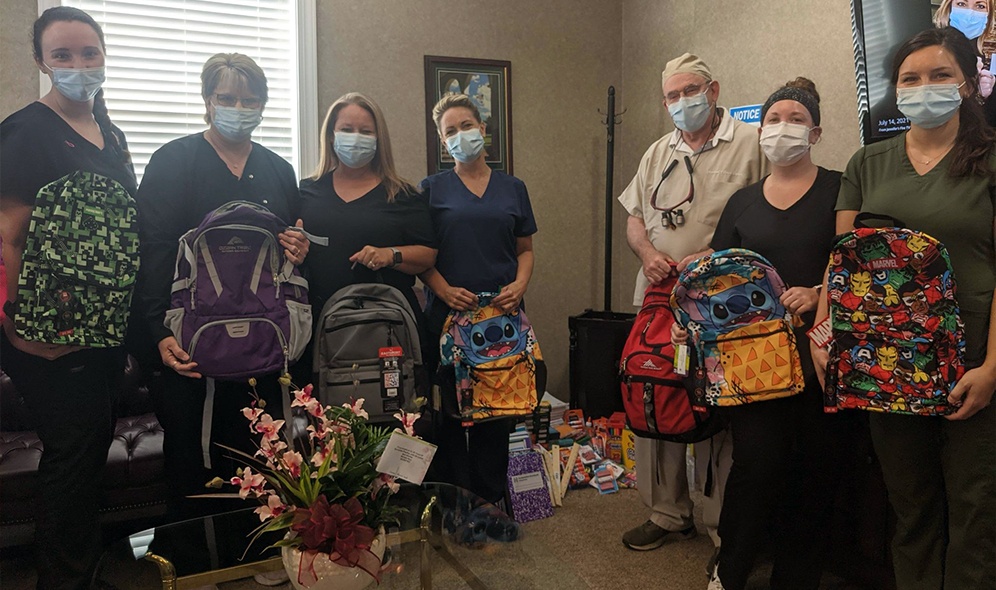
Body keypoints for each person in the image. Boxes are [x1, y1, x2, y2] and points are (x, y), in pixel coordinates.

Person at [813, 27, 996, 589]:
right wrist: (824, 336)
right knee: (909, 502)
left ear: (968, 83)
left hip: (974, 350)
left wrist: (992, 368)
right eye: (910, 79)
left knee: (976, 506)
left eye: (940, 75)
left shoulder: (990, 162)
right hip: (883, 352)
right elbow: (841, 264)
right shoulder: (868, 162)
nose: (924, 88)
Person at [673, 79, 857, 590]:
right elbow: (719, 276)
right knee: (756, 465)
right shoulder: (743, 202)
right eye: (773, 119)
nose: (781, 128)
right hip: (752, 362)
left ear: (815, 132)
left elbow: (854, 261)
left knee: (816, 470)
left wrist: (819, 292)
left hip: (819, 350)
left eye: (795, 118)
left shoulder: (842, 189)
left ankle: (797, 577)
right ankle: (730, 569)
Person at [134, 53, 309, 522]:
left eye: (250, 100)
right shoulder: (172, 160)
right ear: (207, 100)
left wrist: (297, 246)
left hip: (264, 341)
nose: (238, 107)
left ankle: (260, 557)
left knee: (264, 453)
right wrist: (156, 330)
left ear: (264, 105)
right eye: (227, 98)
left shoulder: (278, 169)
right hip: (190, 342)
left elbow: (288, 258)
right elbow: (151, 250)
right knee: (192, 455)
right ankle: (196, 563)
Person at [0, 7, 136, 589]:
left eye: (89, 53)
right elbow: (6, 236)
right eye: (63, 55)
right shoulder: (26, 131)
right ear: (41, 61)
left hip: (102, 326)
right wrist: (19, 329)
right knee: (71, 457)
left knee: (87, 454)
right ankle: (64, 580)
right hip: (43, 329)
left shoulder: (111, 133)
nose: (79, 65)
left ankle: (90, 568)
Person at [617, 53, 765, 565]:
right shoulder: (659, 151)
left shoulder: (751, 144)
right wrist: (648, 253)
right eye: (672, 96)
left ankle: (723, 525)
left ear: (714, 89)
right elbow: (635, 217)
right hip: (658, 297)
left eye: (690, 91)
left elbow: (771, 210)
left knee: (716, 405)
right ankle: (667, 512)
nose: (682, 103)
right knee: (655, 389)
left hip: (720, 304)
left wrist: (721, 256)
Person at [419, 92, 538, 506]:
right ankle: (456, 506)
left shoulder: (513, 188)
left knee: (496, 417)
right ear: (441, 140)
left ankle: (490, 505)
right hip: (448, 320)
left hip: (501, 323)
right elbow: (421, 256)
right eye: (450, 131)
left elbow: (524, 249)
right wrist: (442, 289)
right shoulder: (430, 190)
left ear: (483, 129)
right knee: (451, 416)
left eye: (466, 126)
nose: (460, 135)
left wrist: (521, 284)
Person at [298, 92, 436, 351]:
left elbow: (428, 256)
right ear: (331, 135)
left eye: (365, 131)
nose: (355, 138)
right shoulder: (307, 192)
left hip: (388, 330)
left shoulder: (403, 194)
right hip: (321, 330)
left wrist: (390, 254)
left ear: (378, 139)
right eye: (346, 129)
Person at [933, 0, 996, 123]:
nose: (970, 13)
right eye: (962, 4)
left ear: (988, 15)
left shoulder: (988, 64)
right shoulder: (928, 50)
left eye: (980, 6)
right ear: (949, 7)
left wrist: (982, 96)